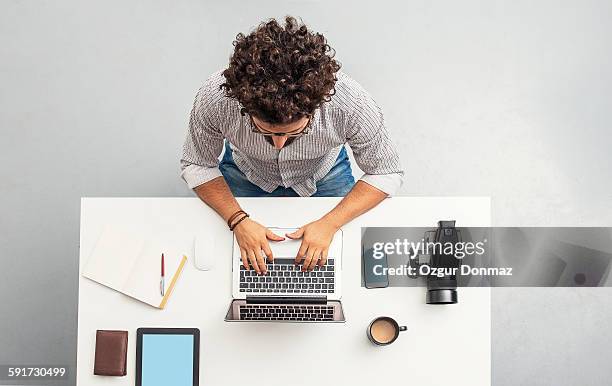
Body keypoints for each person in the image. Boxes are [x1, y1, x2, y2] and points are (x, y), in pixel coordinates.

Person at [181, 16, 403, 275]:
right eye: (264, 131)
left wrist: (330, 224)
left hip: (325, 175)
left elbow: (386, 172)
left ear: (316, 107)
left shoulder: (350, 102)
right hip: (245, 173)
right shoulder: (216, 98)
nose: (278, 144)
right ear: (243, 105)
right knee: (226, 267)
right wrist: (237, 220)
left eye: (293, 133)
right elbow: (197, 164)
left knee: (345, 266)